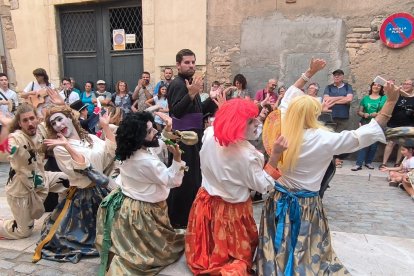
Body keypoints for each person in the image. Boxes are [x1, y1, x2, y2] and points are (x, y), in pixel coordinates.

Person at [256, 58, 400, 275]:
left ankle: (273, 265)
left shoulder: (283, 126)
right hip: (306, 204)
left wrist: (310, 71)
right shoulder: (324, 139)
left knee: (280, 237)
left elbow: (290, 96)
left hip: (278, 199)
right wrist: (390, 102)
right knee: (304, 242)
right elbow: (366, 133)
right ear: (314, 114)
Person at [185, 98, 287, 275]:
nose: (257, 122)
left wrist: (228, 109)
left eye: (255, 117)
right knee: (236, 258)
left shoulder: (209, 133)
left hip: (205, 200)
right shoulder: (248, 155)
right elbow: (263, 185)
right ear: (236, 125)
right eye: (250, 121)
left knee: (209, 246)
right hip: (232, 210)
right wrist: (276, 155)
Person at [95, 112, 187, 275]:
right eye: (150, 131)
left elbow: (155, 146)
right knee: (153, 249)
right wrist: (177, 158)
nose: (155, 133)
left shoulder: (129, 149)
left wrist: (166, 132)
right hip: (144, 209)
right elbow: (174, 181)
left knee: (133, 242)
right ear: (139, 138)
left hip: (127, 202)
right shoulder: (146, 162)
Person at [33, 105, 116, 263]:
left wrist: (105, 127)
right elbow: (84, 170)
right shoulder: (60, 149)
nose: (58, 125)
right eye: (53, 123)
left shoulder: (91, 138)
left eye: (59, 119)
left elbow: (110, 152)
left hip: (103, 191)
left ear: (70, 118)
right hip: (83, 197)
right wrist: (67, 146)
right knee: (80, 238)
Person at [0, 104, 67, 240]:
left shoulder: (41, 129)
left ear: (37, 119)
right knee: (23, 232)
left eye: (32, 118)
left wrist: (61, 103)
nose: (30, 123)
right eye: (25, 120)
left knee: (71, 179)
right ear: (19, 123)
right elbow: (6, 149)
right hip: (22, 191)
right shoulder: (16, 138)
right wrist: (6, 128)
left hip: (42, 179)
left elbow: (71, 117)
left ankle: (64, 215)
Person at [166, 48, 216, 228]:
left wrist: (211, 99)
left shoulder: (189, 82)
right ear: (178, 65)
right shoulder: (178, 84)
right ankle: (179, 221)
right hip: (184, 141)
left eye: (193, 62)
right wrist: (192, 93)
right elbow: (177, 112)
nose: (191, 65)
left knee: (194, 179)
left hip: (193, 138)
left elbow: (197, 112)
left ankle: (190, 217)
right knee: (185, 182)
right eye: (187, 62)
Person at [351, 82, 386, 171]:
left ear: (381, 88)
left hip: (377, 123)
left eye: (378, 85)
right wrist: (364, 114)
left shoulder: (384, 98)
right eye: (374, 85)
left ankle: (368, 162)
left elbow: (386, 111)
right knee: (363, 143)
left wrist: (377, 114)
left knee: (374, 145)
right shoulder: (365, 98)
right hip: (365, 123)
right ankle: (358, 164)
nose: (376, 86)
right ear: (371, 87)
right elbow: (359, 111)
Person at [380, 79, 414, 169]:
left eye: (408, 84)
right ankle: (384, 163)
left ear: (412, 86)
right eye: (404, 83)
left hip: (408, 123)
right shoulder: (398, 95)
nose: (405, 85)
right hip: (394, 122)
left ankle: (397, 163)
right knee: (390, 142)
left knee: (402, 144)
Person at [323, 69, 354, 168]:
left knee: (340, 138)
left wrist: (334, 100)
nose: (336, 77)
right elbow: (326, 99)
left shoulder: (348, 87)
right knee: (330, 138)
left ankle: (337, 158)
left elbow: (349, 99)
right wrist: (341, 98)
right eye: (335, 75)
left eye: (338, 75)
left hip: (343, 116)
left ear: (342, 77)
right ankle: (329, 158)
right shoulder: (329, 87)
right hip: (330, 116)